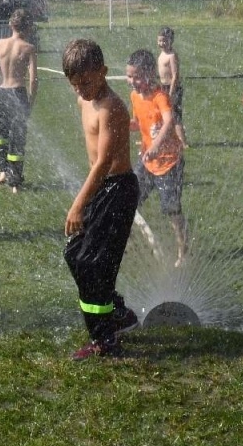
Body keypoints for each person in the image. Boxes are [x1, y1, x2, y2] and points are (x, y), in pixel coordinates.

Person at [61, 39, 140, 359]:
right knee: (76, 254)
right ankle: (118, 313)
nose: (81, 90)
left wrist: (78, 204)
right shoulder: (86, 99)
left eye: (87, 82)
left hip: (118, 189)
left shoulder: (112, 108)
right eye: (75, 84)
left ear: (104, 72)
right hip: (102, 189)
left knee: (95, 263)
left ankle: (105, 338)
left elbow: (104, 163)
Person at [126, 49, 188, 267]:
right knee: (127, 200)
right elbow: (136, 123)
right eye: (129, 76)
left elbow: (169, 121)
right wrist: (119, 124)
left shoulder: (160, 96)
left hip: (169, 162)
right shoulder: (135, 96)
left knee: (171, 210)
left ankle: (183, 251)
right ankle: (128, 244)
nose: (132, 81)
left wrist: (155, 145)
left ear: (150, 74)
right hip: (147, 161)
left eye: (137, 76)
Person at [0, 9, 38, 192]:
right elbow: (33, 79)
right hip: (18, 93)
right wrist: (31, 100)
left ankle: (2, 171)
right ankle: (15, 181)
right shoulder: (28, 48)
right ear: (28, 27)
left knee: (2, 136)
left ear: (10, 25)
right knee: (18, 138)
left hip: (1, 91)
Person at [156, 27, 189, 149]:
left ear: (171, 41)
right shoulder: (162, 54)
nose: (161, 43)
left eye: (164, 41)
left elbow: (175, 75)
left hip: (172, 88)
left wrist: (171, 92)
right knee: (163, 114)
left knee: (175, 115)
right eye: (159, 41)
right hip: (163, 86)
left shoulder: (172, 56)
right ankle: (164, 138)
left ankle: (183, 142)